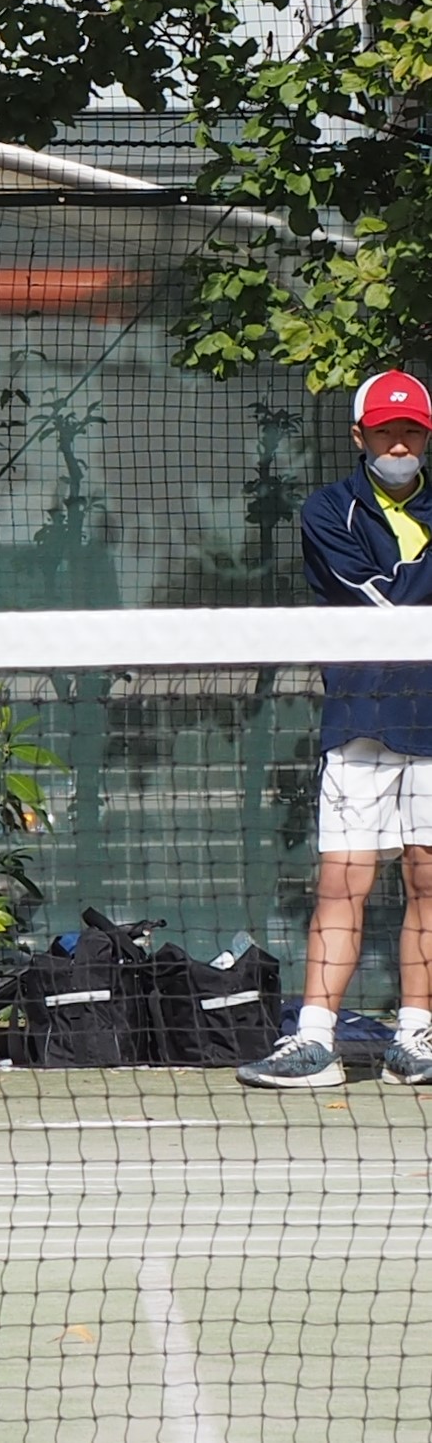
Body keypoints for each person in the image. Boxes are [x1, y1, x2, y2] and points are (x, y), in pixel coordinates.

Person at [239, 371, 432, 1089]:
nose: (399, 444)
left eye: (411, 431)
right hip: (360, 718)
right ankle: (315, 1040)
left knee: (429, 878)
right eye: (386, 431)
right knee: (342, 882)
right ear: (360, 436)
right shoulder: (328, 511)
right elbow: (384, 601)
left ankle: (416, 1037)